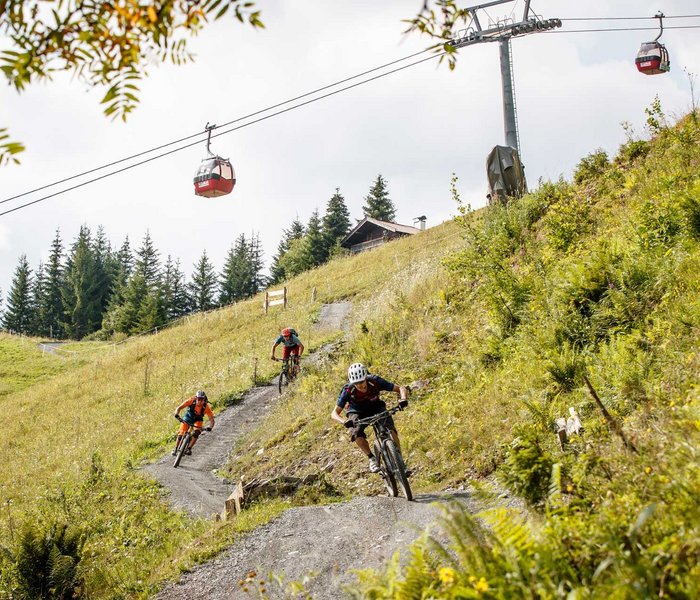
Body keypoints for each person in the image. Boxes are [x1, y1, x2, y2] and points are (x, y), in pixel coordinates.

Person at [331, 362, 408, 473]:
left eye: (361, 381)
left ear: (366, 378)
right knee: (356, 433)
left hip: (376, 407)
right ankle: (372, 459)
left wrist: (403, 399)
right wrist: (344, 422)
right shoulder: (348, 390)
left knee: (390, 429)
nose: (360, 385)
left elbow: (400, 388)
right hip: (357, 412)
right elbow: (334, 413)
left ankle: (400, 461)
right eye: (356, 383)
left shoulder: (375, 381)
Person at [172, 390, 215, 456]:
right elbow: (179, 408)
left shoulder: (206, 407)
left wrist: (210, 427)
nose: (200, 401)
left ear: (204, 399)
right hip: (188, 416)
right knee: (181, 434)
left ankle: (189, 449)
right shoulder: (191, 401)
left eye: (202, 399)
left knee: (197, 432)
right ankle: (175, 449)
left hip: (198, 419)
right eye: (198, 399)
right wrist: (177, 414)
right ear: (196, 398)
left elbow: (212, 420)